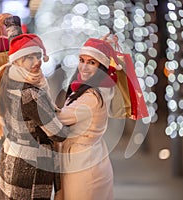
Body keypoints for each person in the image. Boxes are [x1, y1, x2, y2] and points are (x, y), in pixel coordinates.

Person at [0, 14, 68, 200]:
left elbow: (17, 46)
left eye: (38, 56)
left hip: (11, 159)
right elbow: (59, 134)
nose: (36, 62)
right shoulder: (32, 94)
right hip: (31, 171)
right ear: (18, 61)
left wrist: (11, 23)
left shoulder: (7, 76)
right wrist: (77, 117)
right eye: (29, 58)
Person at [56, 37, 121, 200]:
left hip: (85, 166)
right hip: (86, 159)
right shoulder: (94, 89)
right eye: (81, 60)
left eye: (92, 62)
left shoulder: (93, 96)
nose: (84, 67)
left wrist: (34, 92)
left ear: (102, 67)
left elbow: (58, 117)